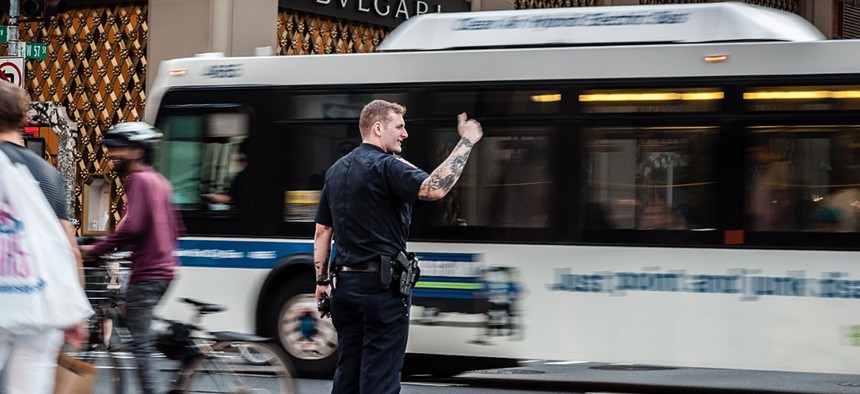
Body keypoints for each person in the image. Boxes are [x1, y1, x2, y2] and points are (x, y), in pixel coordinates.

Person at [313, 99, 483, 393]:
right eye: (399, 127)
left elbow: (322, 232)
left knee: (348, 374)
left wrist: (321, 282)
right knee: (379, 379)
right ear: (378, 128)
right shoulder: (387, 166)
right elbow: (435, 188)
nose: (405, 134)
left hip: (345, 290)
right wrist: (466, 142)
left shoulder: (335, 171)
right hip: (381, 292)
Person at [80, 121, 184, 394]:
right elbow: (176, 228)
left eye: (120, 148)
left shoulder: (137, 179)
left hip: (148, 273)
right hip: (165, 269)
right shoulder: (159, 181)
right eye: (111, 148)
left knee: (142, 346)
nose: (113, 153)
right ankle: (180, 346)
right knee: (136, 322)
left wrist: (97, 249)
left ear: (138, 151)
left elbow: (134, 225)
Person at [0, 81, 86, 394]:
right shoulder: (47, 174)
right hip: (38, 308)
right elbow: (69, 249)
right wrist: (74, 312)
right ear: (25, 121)